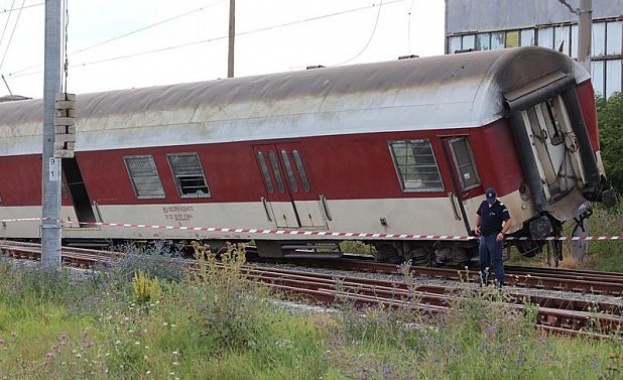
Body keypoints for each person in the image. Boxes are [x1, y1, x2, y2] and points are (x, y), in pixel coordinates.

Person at [474, 187, 512, 288]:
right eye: (489, 199)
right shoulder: (483, 204)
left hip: (494, 237)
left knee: (496, 260)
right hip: (484, 236)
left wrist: (502, 233)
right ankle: (484, 280)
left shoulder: (500, 207)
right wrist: (476, 226)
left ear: (496, 196)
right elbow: (478, 215)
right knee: (483, 260)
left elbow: (509, 221)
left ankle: (500, 282)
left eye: (492, 199)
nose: (490, 202)